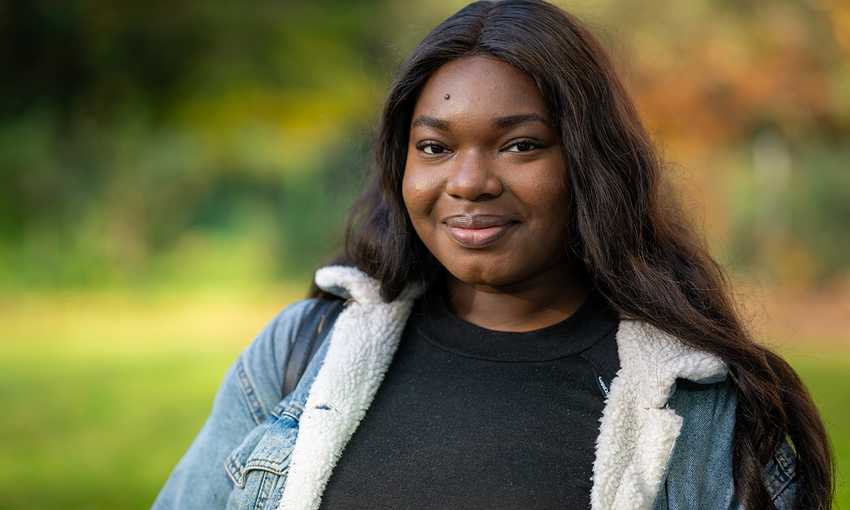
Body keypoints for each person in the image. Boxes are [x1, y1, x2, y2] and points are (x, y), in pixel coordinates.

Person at [153, 1, 833, 509]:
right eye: (435, 147)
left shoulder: (704, 405)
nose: (469, 181)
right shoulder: (301, 355)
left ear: (590, 166)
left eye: (520, 145)